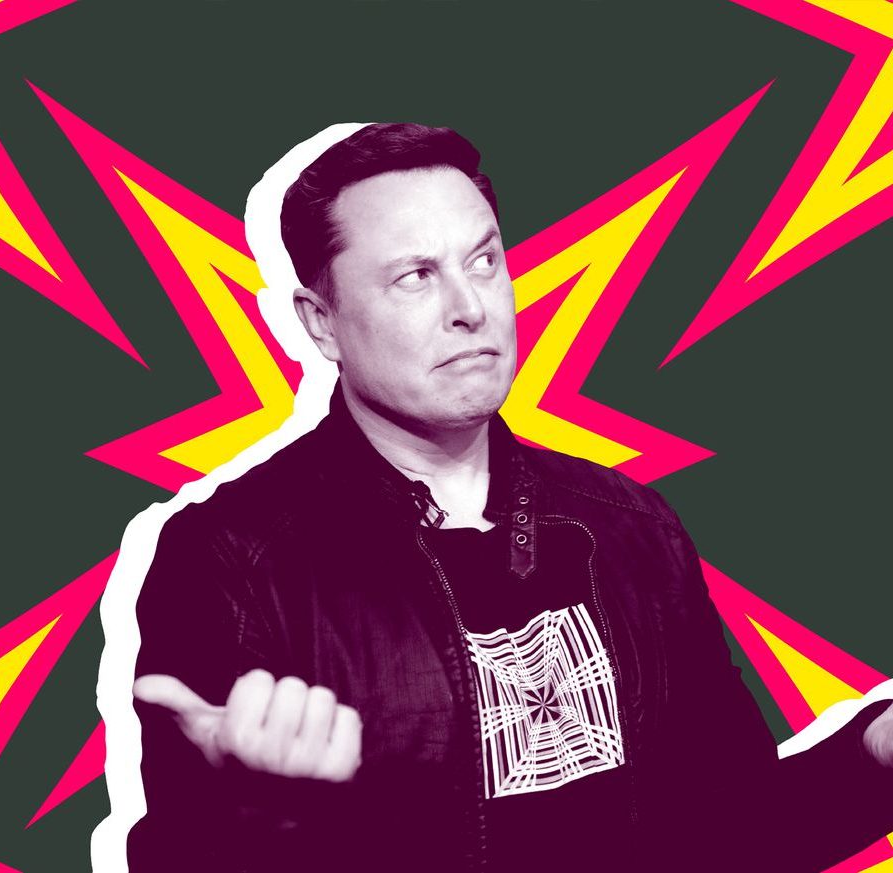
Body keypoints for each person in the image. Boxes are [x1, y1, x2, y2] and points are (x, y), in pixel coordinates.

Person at [127, 123, 893, 873]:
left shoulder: (633, 527)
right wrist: (259, 812)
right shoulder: (228, 559)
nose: (471, 306)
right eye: (415, 275)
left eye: (484, 260)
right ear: (321, 323)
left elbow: (734, 834)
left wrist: (873, 755)